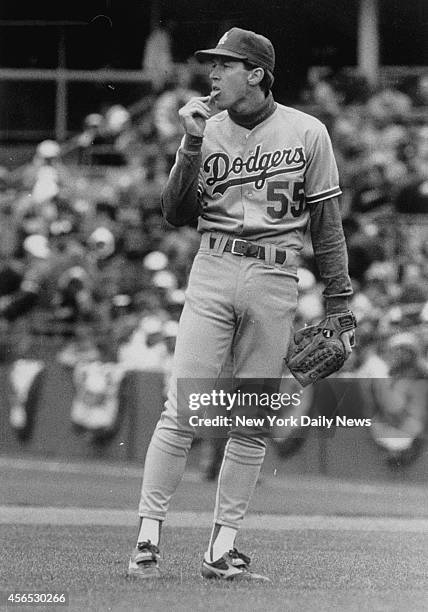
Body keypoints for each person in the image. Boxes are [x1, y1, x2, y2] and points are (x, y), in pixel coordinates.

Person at [128, 27, 355, 582]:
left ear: (255, 73)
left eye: (224, 65)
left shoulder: (307, 131)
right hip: (213, 266)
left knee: (250, 419)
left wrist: (340, 302)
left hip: (277, 275)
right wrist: (189, 145)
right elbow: (175, 213)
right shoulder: (207, 131)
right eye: (212, 65)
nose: (211, 75)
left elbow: (327, 227)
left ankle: (221, 548)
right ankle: (147, 540)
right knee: (183, 406)